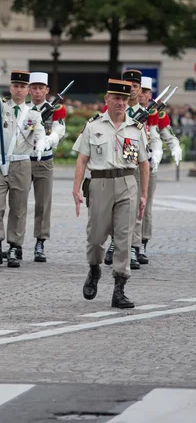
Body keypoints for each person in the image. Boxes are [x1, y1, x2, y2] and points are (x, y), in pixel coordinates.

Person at [72, 78, 149, 309]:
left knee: (124, 238)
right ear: (107, 99)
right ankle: (94, 269)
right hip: (100, 184)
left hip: (127, 183)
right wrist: (76, 188)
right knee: (96, 237)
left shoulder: (135, 129)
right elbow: (82, 159)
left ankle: (119, 288)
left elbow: (143, 164)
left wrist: (144, 195)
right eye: (116, 98)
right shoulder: (93, 126)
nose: (121, 103)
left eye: (125, 99)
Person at [0, 70, 46, 268]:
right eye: (15, 86)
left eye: (22, 87)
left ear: (27, 90)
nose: (19, 90)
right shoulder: (2, 108)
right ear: (10, 88)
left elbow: (39, 133)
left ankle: (13, 247)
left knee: (18, 209)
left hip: (21, 164)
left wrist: (41, 144)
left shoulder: (33, 115)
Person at [104, 69, 160, 269]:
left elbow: (153, 137)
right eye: (128, 86)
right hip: (114, 162)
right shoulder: (116, 109)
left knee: (137, 206)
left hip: (137, 162)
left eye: (135, 86)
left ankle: (135, 247)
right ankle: (114, 242)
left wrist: (157, 152)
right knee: (113, 205)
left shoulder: (146, 112)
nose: (132, 90)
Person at [136, 76, 182, 263]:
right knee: (122, 207)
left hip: (149, 165)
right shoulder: (127, 110)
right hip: (128, 164)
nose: (142, 95)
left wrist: (174, 147)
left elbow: (167, 136)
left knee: (145, 207)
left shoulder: (157, 114)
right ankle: (118, 242)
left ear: (150, 95)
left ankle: (142, 244)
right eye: (140, 91)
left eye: (146, 92)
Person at [27, 71, 66, 262]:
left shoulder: (54, 108)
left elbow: (60, 128)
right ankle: (15, 243)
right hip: (24, 159)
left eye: (40, 88)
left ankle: (40, 241)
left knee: (43, 203)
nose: (37, 92)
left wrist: (50, 139)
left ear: (47, 90)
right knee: (18, 204)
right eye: (33, 88)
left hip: (44, 160)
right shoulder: (24, 108)